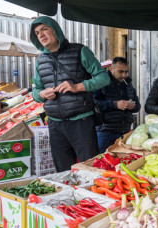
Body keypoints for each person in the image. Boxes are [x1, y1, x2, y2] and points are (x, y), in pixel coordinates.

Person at [30, 16, 110, 172]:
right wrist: (43, 94)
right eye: (37, 32)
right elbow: (35, 92)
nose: (40, 35)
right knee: (63, 171)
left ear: (56, 30)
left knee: (88, 169)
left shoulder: (80, 51)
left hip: (81, 122)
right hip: (55, 124)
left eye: (44, 29)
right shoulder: (41, 60)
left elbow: (104, 77)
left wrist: (78, 87)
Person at [93, 57, 141, 153]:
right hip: (106, 132)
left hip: (125, 132)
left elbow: (138, 106)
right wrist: (115, 104)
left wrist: (133, 106)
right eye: (120, 72)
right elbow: (94, 104)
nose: (124, 75)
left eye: (126, 72)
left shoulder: (128, 84)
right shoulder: (101, 82)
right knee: (103, 162)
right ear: (111, 69)